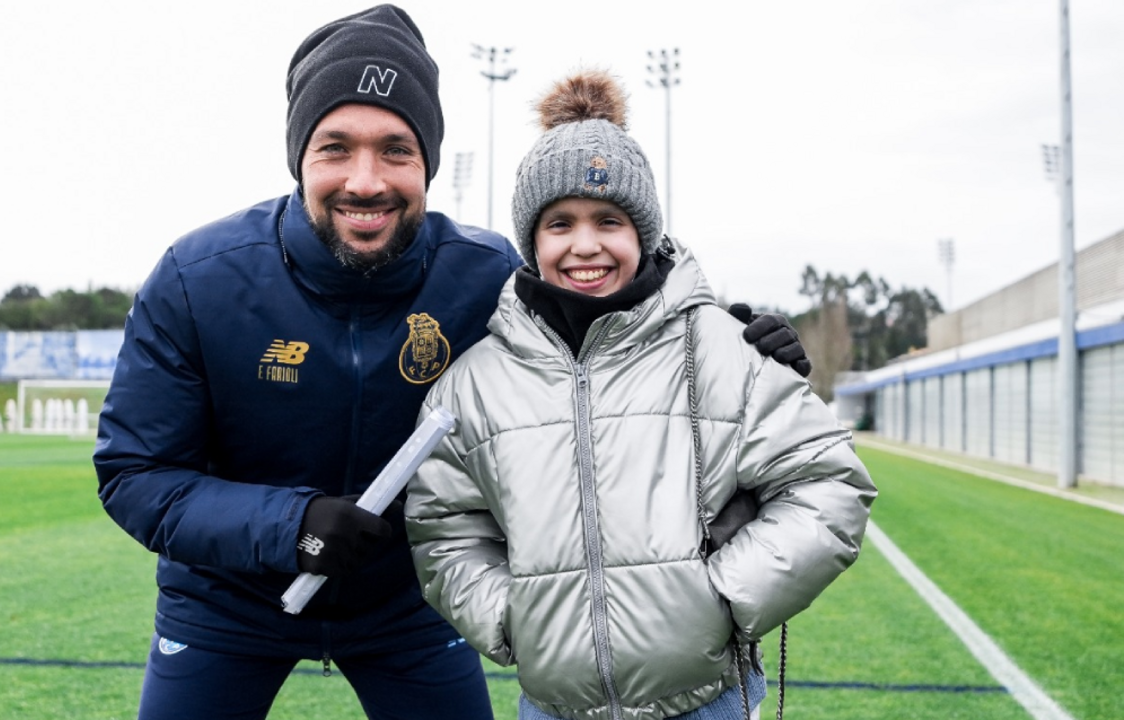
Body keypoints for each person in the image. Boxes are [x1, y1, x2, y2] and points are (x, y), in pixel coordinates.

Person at [93, 6, 812, 719]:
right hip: (225, 604)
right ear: (298, 158)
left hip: (407, 609)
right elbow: (135, 473)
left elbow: (614, 332)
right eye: (336, 148)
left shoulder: (487, 276)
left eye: (396, 150)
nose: (366, 181)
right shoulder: (198, 279)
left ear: (428, 163)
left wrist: (730, 343)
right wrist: (292, 524)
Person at [404, 69, 877, 720]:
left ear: (643, 232)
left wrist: (723, 598)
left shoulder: (725, 348)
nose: (585, 245)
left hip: (708, 704)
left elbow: (829, 485)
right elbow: (443, 528)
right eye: (560, 223)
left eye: (609, 219)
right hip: (551, 708)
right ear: (532, 240)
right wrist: (512, 617)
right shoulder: (474, 382)